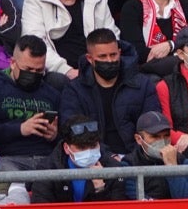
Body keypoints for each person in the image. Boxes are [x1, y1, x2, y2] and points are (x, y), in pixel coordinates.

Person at [57, 29, 151, 157]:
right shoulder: (74, 91)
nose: (109, 60)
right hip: (94, 159)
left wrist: (132, 159)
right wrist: (109, 158)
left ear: (120, 53)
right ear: (89, 58)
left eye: (113, 55)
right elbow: (74, 132)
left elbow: (152, 128)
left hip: (138, 158)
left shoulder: (143, 85)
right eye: (102, 56)